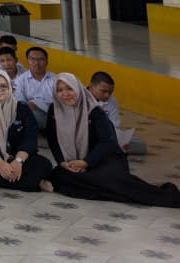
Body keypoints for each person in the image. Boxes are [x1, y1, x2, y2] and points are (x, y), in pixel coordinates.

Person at [44, 73, 179, 206]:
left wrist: (86, 162)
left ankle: (169, 197)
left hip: (105, 158)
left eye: (69, 88)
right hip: (74, 161)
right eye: (60, 90)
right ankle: (119, 192)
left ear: (77, 88)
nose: (65, 94)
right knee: (60, 176)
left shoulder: (94, 111)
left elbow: (107, 142)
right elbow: (53, 139)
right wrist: (62, 162)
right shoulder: (54, 110)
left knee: (111, 180)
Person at [0, 68, 52, 192]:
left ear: (10, 88)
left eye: (4, 86)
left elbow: (30, 139)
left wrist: (18, 162)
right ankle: (32, 183)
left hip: (22, 158)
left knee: (43, 164)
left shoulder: (22, 109)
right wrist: (1, 164)